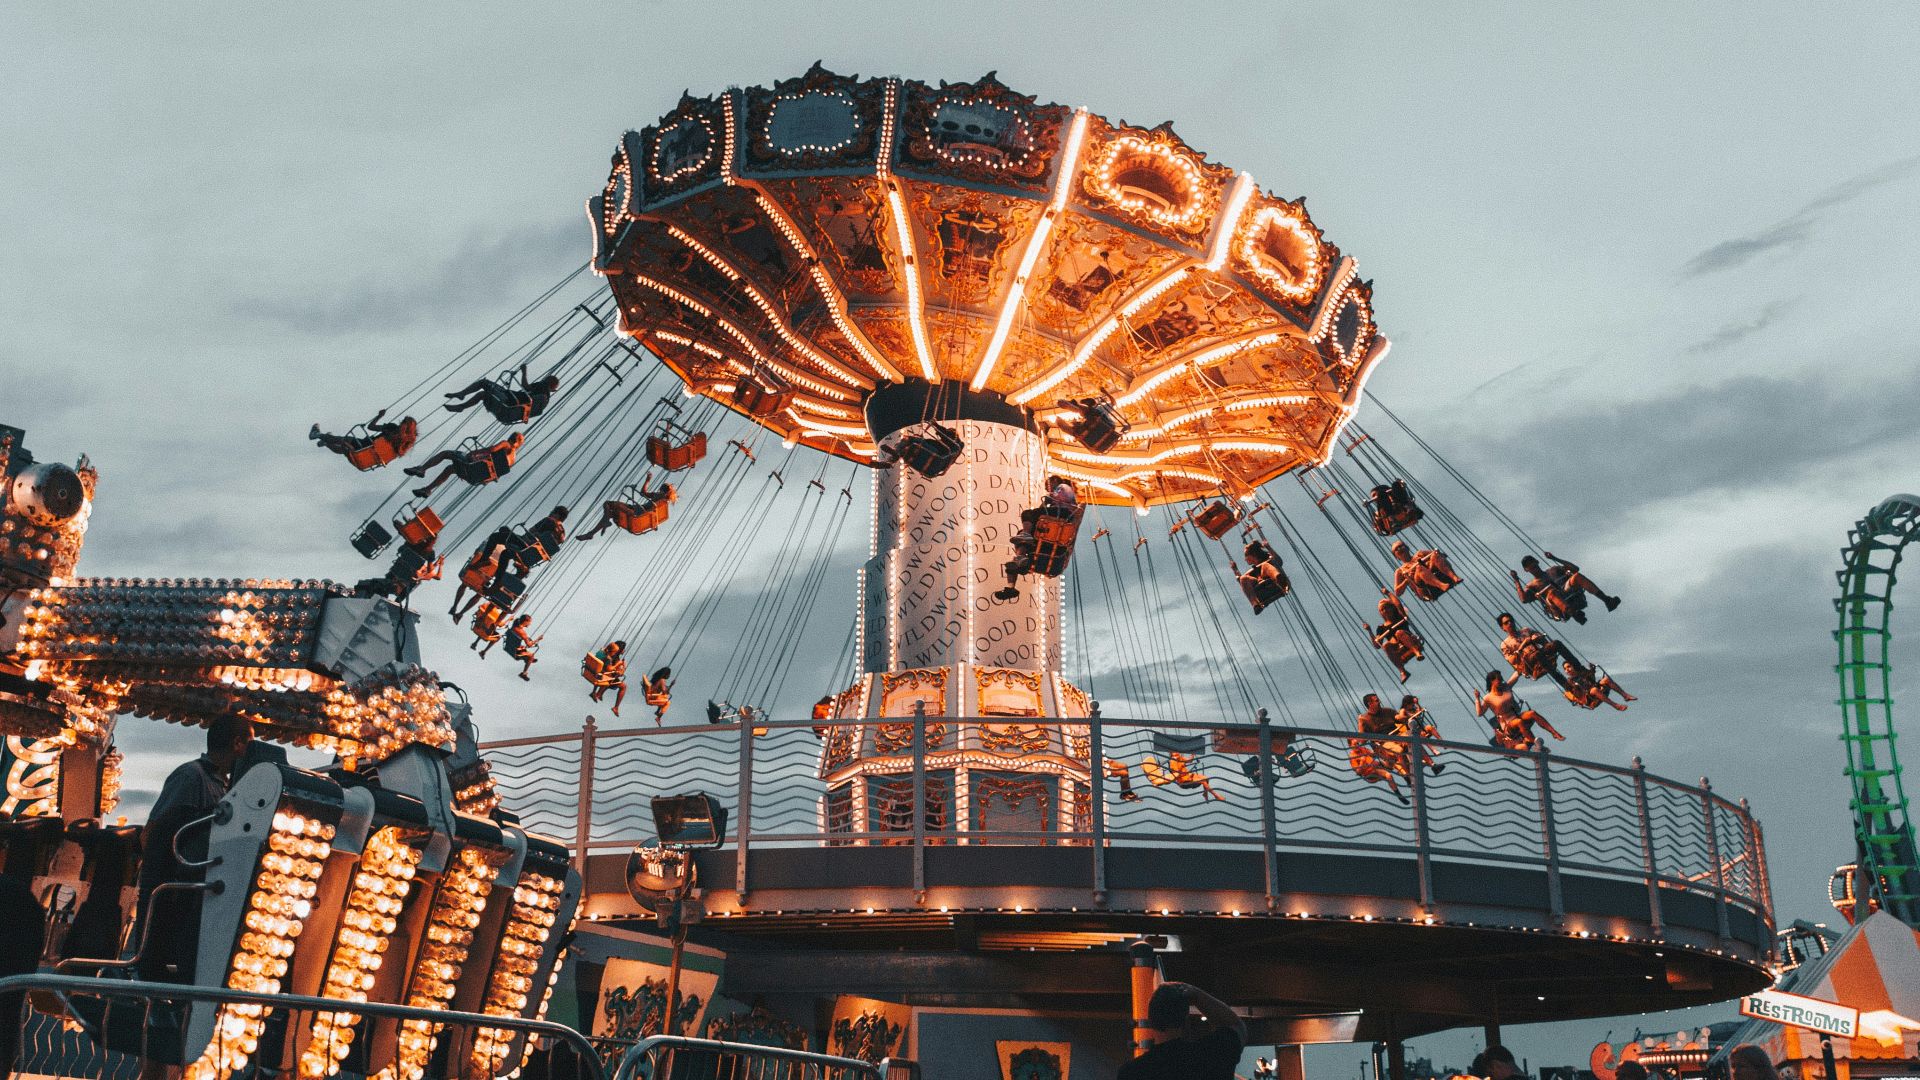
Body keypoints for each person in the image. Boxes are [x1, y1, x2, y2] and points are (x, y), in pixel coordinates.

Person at [136, 716, 255, 987]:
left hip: (195, 890)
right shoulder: (191, 777)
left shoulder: (225, 786)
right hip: (175, 889)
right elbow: (154, 831)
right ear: (237, 743)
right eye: (250, 743)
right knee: (158, 962)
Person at [1117, 981, 1246, 1080]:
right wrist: (1196, 994)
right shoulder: (1212, 1054)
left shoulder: (1131, 1072)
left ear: (1150, 1021)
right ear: (1186, 1020)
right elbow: (1236, 1025)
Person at [995, 479, 1079, 601]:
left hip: (1047, 549)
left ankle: (1024, 539)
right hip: (1048, 560)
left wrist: (1050, 497)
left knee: (1028, 514)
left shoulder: (1063, 490)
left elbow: (1060, 499)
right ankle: (1010, 587)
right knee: (1013, 564)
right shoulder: (1052, 523)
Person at [403, 431, 525, 498]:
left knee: (446, 453)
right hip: (476, 477)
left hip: (473, 467)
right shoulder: (512, 461)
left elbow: (491, 450)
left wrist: (474, 453)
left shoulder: (506, 444)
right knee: (450, 469)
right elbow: (496, 474)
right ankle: (427, 489)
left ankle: (422, 469)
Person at [1511, 552, 1621, 624]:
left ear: (1537, 562)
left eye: (1532, 562)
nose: (1532, 566)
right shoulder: (1532, 585)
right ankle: (1574, 614)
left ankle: (1607, 600)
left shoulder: (1553, 570)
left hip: (1568, 593)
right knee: (1551, 592)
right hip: (1556, 605)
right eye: (1528, 565)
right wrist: (1516, 581)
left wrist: (1554, 558)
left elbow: (1575, 569)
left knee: (1576, 576)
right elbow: (1524, 599)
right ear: (1526, 570)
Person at [444, 363, 562, 425]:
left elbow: (525, 386)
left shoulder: (542, 391)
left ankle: (462, 396)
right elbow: (527, 392)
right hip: (509, 406)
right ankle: (461, 404)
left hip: (508, 402)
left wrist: (524, 371)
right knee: (483, 394)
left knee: (484, 384)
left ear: (547, 382)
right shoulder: (543, 397)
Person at [1478, 670, 1565, 751]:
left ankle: (1554, 733)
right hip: (1507, 725)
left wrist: (1521, 668)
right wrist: (1477, 699)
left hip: (1516, 716)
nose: (1501, 681)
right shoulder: (1488, 698)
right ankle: (1535, 743)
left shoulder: (1506, 687)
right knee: (1519, 721)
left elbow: (1516, 674)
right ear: (1492, 681)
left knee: (1532, 713)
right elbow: (1480, 713)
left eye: (1501, 679)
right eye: (1499, 680)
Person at [309, 409, 418, 468]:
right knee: (344, 449)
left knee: (342, 440)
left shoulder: (392, 428)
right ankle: (326, 443)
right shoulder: (402, 447)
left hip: (365, 446)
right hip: (367, 459)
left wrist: (379, 416)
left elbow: (371, 427)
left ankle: (317, 434)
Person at [450, 526, 515, 620]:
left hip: (477, 569)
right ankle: (461, 613)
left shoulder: (490, 541)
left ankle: (454, 606)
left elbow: (477, 552)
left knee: (464, 583)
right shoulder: (507, 550)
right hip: (488, 574)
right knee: (479, 594)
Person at [577, 479, 676, 540]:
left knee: (611, 507)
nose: (660, 492)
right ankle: (593, 532)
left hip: (637, 513)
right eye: (660, 490)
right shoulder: (657, 496)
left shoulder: (662, 502)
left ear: (666, 493)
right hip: (635, 508)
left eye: (662, 491)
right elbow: (644, 492)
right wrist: (647, 480)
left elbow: (653, 513)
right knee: (608, 505)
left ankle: (599, 527)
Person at [1496, 613, 1574, 688]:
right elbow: (1512, 660)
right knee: (1537, 655)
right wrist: (1521, 647)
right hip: (1528, 664)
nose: (1510, 623)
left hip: (1539, 653)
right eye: (1506, 623)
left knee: (1556, 643)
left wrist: (1536, 637)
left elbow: (1540, 637)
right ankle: (1563, 682)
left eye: (1511, 620)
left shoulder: (1525, 630)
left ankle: (1577, 667)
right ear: (1502, 627)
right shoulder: (1505, 644)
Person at [1365, 591, 1425, 683]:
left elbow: (1398, 605)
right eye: (1382, 610)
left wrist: (1388, 593)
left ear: (1392, 608)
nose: (1385, 611)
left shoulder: (1399, 617)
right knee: (1386, 645)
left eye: (1386, 608)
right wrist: (1369, 631)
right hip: (1399, 651)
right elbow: (1377, 645)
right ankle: (1402, 671)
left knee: (1399, 633)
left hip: (1411, 642)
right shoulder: (1381, 628)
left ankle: (1416, 652)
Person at [1389, 540, 1463, 601]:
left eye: (1401, 546)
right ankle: (1441, 585)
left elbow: (1441, 555)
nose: (1399, 549)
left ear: (1407, 548)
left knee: (1434, 555)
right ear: (1396, 557)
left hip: (1433, 572)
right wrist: (1406, 580)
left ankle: (1454, 577)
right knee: (1419, 568)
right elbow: (1397, 592)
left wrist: (1434, 556)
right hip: (1423, 588)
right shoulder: (1400, 571)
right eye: (1396, 549)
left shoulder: (1420, 554)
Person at [1236, 540, 1290, 613]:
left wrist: (1268, 547)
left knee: (1265, 565)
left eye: (1246, 555)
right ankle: (1256, 605)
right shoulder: (1252, 572)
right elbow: (1244, 585)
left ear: (1253, 554)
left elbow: (1279, 561)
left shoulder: (1268, 559)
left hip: (1270, 579)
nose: (1245, 559)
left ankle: (1280, 580)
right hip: (1259, 585)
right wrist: (1235, 569)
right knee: (1243, 578)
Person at [1396, 694, 1444, 775]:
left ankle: (1442, 742)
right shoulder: (1403, 710)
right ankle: (1433, 750)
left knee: (1430, 727)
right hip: (1412, 731)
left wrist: (1417, 703)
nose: (1413, 705)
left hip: (1420, 728)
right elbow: (1400, 716)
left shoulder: (1414, 708)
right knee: (1420, 734)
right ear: (1407, 704)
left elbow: (1420, 711)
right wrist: (1408, 717)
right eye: (1412, 704)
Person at [1561, 659, 1636, 711]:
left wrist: (1592, 669)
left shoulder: (1582, 673)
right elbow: (1576, 695)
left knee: (1606, 679)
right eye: (1565, 669)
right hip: (1589, 699)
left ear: (1573, 666)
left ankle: (1625, 696)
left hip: (1597, 689)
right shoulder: (1569, 682)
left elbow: (1592, 678)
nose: (1567, 669)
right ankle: (1616, 705)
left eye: (1569, 667)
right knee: (1594, 690)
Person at [584, 641, 629, 715]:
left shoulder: (601, 652)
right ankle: (614, 706)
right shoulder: (608, 658)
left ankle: (596, 693)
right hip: (601, 677)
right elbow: (610, 669)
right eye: (623, 649)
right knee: (622, 685)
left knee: (608, 676)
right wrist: (621, 666)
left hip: (591, 672)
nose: (624, 651)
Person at [503, 614, 541, 680]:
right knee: (531, 656)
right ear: (525, 621)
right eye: (529, 622)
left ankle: (528, 659)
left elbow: (517, 621)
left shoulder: (514, 625)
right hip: (514, 652)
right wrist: (538, 639)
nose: (530, 624)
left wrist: (526, 638)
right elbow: (529, 645)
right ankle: (524, 673)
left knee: (522, 647)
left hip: (508, 646)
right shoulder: (522, 633)